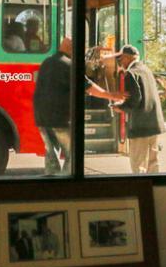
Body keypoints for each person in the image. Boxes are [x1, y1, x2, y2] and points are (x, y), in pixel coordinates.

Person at [33, 37, 125, 175]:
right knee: (73, 154)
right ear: (72, 49)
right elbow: (89, 88)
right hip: (61, 118)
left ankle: (51, 183)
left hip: (41, 117)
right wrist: (111, 95)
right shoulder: (68, 65)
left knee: (51, 155)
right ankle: (67, 186)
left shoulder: (47, 62)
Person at [111, 45, 165, 174]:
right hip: (154, 124)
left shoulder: (131, 73)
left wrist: (120, 107)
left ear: (127, 57)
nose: (120, 62)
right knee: (153, 163)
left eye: (121, 59)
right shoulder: (146, 70)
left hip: (140, 126)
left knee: (138, 164)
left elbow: (136, 99)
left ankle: (139, 190)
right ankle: (154, 187)